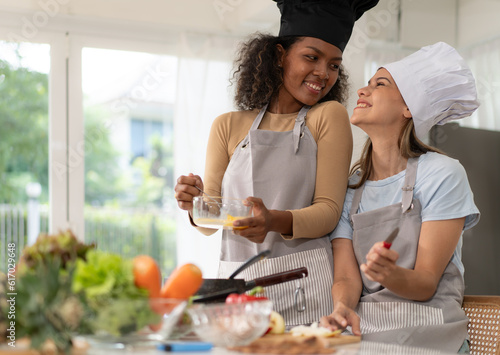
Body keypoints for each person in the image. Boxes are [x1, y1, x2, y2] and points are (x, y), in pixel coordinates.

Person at [174, 0, 379, 326]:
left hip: (306, 289)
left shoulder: (327, 117)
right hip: (239, 287)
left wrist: (272, 220)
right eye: (311, 57)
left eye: (334, 65)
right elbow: (212, 219)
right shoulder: (227, 125)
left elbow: (328, 212)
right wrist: (194, 204)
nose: (323, 74)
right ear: (280, 55)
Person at [319, 42, 480, 353]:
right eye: (366, 84)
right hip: (366, 331)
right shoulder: (352, 186)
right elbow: (346, 277)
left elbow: (425, 283)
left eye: (380, 84)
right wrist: (342, 307)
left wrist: (389, 274)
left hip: (431, 334)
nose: (362, 91)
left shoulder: (444, 174)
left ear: (409, 109)